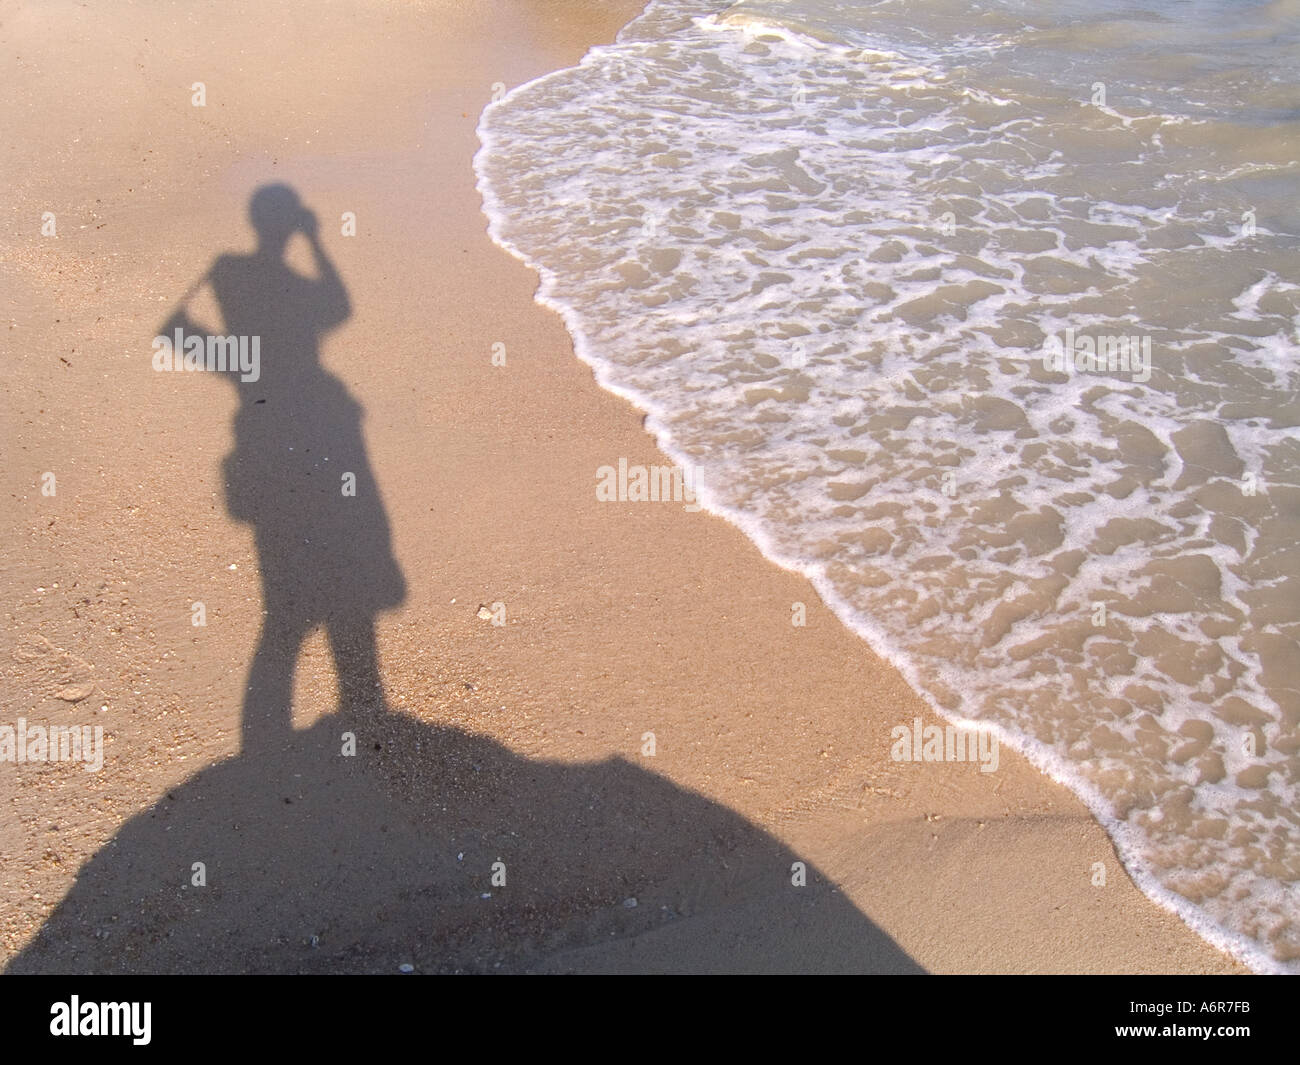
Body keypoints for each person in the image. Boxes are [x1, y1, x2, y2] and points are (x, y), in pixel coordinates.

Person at [161, 184, 405, 753]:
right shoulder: (293, 290)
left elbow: (195, 337)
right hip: (316, 423)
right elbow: (339, 306)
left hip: (261, 423)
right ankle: (362, 711)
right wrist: (316, 241)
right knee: (347, 565)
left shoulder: (227, 274)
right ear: (289, 222)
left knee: (285, 603)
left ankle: (265, 745)